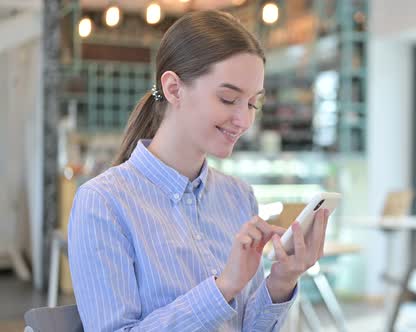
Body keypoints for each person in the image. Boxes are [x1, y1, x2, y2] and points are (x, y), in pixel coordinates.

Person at [68, 10, 330, 332]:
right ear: (174, 89)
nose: (244, 121)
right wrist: (223, 288)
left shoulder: (239, 196)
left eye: (251, 104)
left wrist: (281, 281)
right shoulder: (103, 203)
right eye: (228, 98)